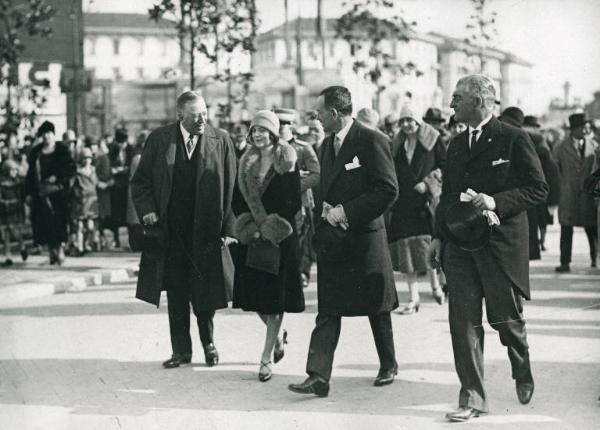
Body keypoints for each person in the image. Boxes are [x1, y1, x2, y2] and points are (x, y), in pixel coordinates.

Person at [428, 74, 548, 421]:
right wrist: (438, 236)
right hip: (460, 245)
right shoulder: (455, 144)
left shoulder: (513, 138)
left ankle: (521, 365)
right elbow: (448, 195)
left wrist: (496, 201)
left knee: (506, 322)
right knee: (462, 323)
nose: (451, 105)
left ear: (480, 102)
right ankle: (472, 397)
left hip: (499, 246)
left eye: (458, 98)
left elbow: (538, 189)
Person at [288, 86, 399, 397]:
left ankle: (388, 364)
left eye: (320, 113)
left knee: (377, 307)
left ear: (334, 113)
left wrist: (346, 211)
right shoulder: (325, 145)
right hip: (336, 241)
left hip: (365, 239)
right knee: (329, 308)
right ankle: (318, 376)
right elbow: (329, 183)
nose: (318, 118)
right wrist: (324, 207)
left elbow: (388, 190)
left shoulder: (372, 140)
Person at [131, 91, 236, 369]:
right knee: (177, 292)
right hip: (171, 232)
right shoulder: (159, 139)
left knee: (206, 292)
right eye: (195, 116)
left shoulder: (221, 140)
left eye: (204, 113)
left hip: (206, 232)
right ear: (180, 116)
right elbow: (140, 182)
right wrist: (148, 210)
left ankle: (209, 345)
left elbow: (232, 187)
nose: (202, 119)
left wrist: (229, 227)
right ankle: (181, 351)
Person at [231, 110, 304, 382]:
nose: (258, 135)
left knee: (276, 299)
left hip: (280, 237)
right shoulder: (246, 161)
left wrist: (269, 227)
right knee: (255, 299)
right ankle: (277, 338)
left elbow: (292, 200)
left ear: (273, 133)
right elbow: (237, 200)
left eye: (263, 130)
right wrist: (251, 227)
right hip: (254, 237)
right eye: (255, 130)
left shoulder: (287, 158)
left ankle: (265, 359)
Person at [387, 103, 446, 314]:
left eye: (410, 120)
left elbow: (445, 165)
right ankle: (413, 298)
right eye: (402, 121)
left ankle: (436, 286)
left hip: (426, 203)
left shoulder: (433, 139)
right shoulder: (397, 143)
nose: (406, 125)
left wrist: (429, 183)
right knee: (406, 252)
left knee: (428, 246)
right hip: (404, 203)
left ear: (418, 121)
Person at [274, 108, 320, 288]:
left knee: (300, 237)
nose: (282, 128)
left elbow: (316, 174)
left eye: (286, 124)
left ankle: (301, 272)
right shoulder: (267, 149)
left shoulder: (303, 148)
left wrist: (293, 186)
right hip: (274, 201)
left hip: (298, 201)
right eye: (279, 124)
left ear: (292, 126)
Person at [25, 121, 76, 266]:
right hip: (40, 194)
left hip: (58, 194)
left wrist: (58, 177)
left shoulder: (62, 150)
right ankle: (51, 253)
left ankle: (59, 251)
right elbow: (30, 175)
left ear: (54, 134)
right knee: (44, 224)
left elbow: (71, 169)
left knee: (58, 223)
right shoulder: (36, 152)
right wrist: (28, 193)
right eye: (44, 134)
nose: (47, 136)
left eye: (49, 133)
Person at [553, 113, 598, 271]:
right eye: (583, 128)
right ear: (574, 129)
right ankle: (565, 263)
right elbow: (555, 171)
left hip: (587, 196)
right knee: (566, 230)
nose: (586, 130)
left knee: (592, 229)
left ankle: (595, 260)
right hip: (568, 195)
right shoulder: (560, 147)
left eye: (587, 127)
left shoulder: (594, 146)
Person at [69, 147, 100, 255]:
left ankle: (87, 243)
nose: (87, 160)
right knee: (80, 226)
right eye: (85, 158)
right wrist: (77, 195)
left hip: (92, 200)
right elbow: (72, 187)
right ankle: (80, 248)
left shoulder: (93, 170)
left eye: (89, 158)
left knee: (91, 227)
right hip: (81, 201)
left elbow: (96, 183)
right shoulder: (78, 173)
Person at [0, 159, 28, 265]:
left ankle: (22, 247)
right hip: (4, 209)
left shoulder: (18, 183)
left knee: (16, 232)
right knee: (6, 234)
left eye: (15, 170)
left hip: (15, 209)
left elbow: (22, 196)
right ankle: (8, 256)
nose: (14, 172)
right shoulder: (1, 183)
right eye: (12, 170)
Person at [108, 128, 131, 248]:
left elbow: (132, 166)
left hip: (127, 185)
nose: (122, 145)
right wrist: (115, 170)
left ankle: (129, 239)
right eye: (120, 143)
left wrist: (122, 169)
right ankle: (116, 239)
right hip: (116, 186)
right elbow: (109, 166)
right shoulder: (113, 151)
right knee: (116, 213)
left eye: (124, 143)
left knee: (128, 213)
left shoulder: (131, 150)